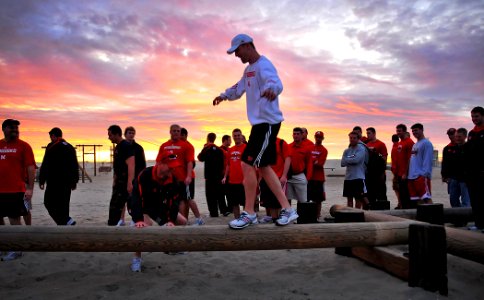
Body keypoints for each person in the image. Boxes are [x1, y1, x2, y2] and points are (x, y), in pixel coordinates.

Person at [213, 33, 298, 228]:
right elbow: (239, 87)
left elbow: (276, 82)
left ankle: (250, 212)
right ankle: (288, 209)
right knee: (263, 167)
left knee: (246, 164)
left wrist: (271, 89)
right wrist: (224, 95)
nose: (236, 55)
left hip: (267, 123)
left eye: (238, 51)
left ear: (248, 45)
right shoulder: (248, 70)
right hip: (259, 124)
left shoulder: (264, 64)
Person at [129, 158, 188, 272]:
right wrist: (138, 219)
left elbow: (173, 203)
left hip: (157, 207)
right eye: (170, 167)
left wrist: (170, 220)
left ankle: (172, 248)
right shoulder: (145, 174)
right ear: (160, 163)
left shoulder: (172, 179)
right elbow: (136, 198)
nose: (172, 170)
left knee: (182, 221)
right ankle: (137, 258)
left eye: (173, 168)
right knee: (143, 226)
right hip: (141, 206)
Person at [0, 119, 36, 261]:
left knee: (14, 219)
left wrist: (30, 189)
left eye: (16, 127)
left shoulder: (24, 146)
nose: (15, 129)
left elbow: (31, 168)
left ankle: (17, 248)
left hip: (15, 190)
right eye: (11, 127)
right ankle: (3, 246)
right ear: (4, 129)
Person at [156, 125, 203, 225]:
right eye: (174, 131)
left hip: (183, 178)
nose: (176, 132)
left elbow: (190, 162)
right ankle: (176, 219)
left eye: (178, 131)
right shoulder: (164, 145)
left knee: (185, 200)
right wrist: (158, 176)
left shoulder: (187, 145)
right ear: (170, 132)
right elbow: (158, 162)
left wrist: (189, 176)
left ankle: (192, 219)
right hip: (169, 179)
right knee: (172, 200)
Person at [39, 127, 79, 225]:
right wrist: (74, 181)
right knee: (64, 205)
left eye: (50, 137)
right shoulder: (69, 147)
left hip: (54, 181)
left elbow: (45, 164)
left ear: (53, 136)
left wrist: (41, 180)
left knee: (48, 202)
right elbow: (74, 165)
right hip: (67, 182)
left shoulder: (51, 146)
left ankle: (65, 221)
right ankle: (65, 223)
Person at [117, 126, 147, 226]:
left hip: (135, 177)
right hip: (122, 177)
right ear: (125, 134)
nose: (131, 135)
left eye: (133, 133)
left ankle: (135, 219)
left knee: (133, 199)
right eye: (129, 133)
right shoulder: (120, 147)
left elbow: (143, 164)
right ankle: (121, 220)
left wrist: (141, 177)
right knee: (121, 199)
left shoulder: (138, 148)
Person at [107, 125, 134, 226]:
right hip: (119, 182)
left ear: (116, 134)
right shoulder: (118, 147)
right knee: (114, 206)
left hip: (125, 183)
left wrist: (130, 183)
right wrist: (114, 179)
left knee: (126, 206)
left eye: (110, 135)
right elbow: (117, 166)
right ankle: (113, 225)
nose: (108, 137)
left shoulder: (126, 146)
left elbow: (131, 164)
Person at [259, 137, 291, 223]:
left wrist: (284, 175)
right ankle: (274, 219)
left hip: (279, 176)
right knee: (270, 202)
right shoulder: (263, 143)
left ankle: (281, 218)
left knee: (279, 200)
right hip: (265, 177)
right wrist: (260, 176)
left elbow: (287, 159)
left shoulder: (281, 142)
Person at [198, 133, 229, 217]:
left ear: (208, 138)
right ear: (215, 138)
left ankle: (214, 212)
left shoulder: (206, 148)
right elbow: (224, 161)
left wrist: (205, 147)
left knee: (210, 195)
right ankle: (223, 210)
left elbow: (200, 158)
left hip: (209, 176)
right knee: (220, 194)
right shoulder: (219, 150)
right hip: (219, 175)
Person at [179, 128, 204, 225]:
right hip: (180, 178)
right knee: (182, 200)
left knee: (188, 199)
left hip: (187, 178)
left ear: (184, 135)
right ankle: (184, 219)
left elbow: (192, 163)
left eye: (180, 135)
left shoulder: (188, 146)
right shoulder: (179, 146)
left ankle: (199, 218)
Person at [465, 106, 484, 231]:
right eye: (472, 116)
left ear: (482, 116)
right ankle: (478, 224)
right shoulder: (471, 133)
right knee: (475, 199)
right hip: (472, 173)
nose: (474, 119)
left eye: (476, 116)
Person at [441, 128, 470, 208]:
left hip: (465, 179)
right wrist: (444, 175)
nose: (456, 138)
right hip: (453, 178)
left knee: (466, 201)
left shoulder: (470, 147)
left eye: (459, 136)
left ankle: (465, 218)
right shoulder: (449, 148)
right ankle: (459, 216)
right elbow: (445, 163)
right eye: (456, 136)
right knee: (453, 199)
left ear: (465, 136)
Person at [341, 131, 369, 209]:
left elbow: (356, 160)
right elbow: (342, 163)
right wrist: (351, 159)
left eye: (354, 138)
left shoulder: (361, 149)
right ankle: (350, 216)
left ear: (358, 139)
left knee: (358, 199)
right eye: (351, 138)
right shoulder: (347, 151)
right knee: (349, 199)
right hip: (348, 178)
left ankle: (357, 215)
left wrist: (348, 159)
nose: (352, 139)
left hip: (358, 178)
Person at [223, 129, 247, 219]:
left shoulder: (246, 148)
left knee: (245, 202)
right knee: (234, 203)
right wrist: (225, 176)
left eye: (238, 135)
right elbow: (228, 165)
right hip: (232, 181)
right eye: (235, 136)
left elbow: (249, 164)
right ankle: (237, 219)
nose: (237, 137)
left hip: (243, 181)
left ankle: (245, 219)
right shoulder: (230, 150)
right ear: (233, 137)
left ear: (241, 136)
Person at [407, 123, 434, 205]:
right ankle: (423, 217)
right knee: (418, 200)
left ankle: (434, 216)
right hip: (412, 176)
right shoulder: (415, 145)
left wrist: (424, 174)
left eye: (416, 130)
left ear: (422, 130)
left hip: (421, 176)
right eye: (413, 131)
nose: (414, 132)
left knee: (426, 198)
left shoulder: (426, 143)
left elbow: (428, 160)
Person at [287, 127, 313, 203]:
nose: (296, 136)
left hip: (300, 175)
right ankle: (288, 213)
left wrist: (307, 178)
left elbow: (309, 164)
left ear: (302, 135)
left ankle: (302, 214)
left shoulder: (306, 148)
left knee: (303, 199)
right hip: (289, 176)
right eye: (294, 134)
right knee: (287, 198)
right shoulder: (288, 147)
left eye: (298, 134)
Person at [364, 127, 388, 205]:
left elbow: (384, 158)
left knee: (381, 193)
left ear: (374, 133)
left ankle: (384, 211)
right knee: (370, 193)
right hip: (369, 173)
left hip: (379, 173)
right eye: (367, 133)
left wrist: (376, 154)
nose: (367, 135)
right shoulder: (366, 144)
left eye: (369, 133)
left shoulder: (381, 144)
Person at [307, 131, 328, 220]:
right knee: (308, 198)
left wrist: (313, 161)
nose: (318, 139)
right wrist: (314, 160)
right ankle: (309, 215)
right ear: (314, 137)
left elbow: (320, 163)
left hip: (319, 178)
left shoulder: (324, 150)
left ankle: (318, 215)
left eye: (320, 137)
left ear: (322, 138)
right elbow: (308, 160)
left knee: (318, 199)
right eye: (317, 137)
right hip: (309, 177)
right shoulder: (310, 148)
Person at [394, 124, 414, 209]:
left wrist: (405, 173)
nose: (398, 133)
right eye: (397, 131)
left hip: (406, 175)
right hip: (399, 174)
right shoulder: (400, 143)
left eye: (400, 131)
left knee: (407, 196)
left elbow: (411, 159)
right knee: (401, 196)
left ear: (405, 131)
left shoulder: (410, 142)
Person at [220, 134, 232, 214]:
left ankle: (230, 209)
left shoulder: (230, 149)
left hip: (230, 174)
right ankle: (224, 210)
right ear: (225, 140)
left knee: (230, 193)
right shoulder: (220, 150)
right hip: (222, 174)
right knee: (222, 193)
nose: (231, 141)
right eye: (229, 140)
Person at [390, 134, 401, 209]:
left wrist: (394, 170)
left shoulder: (395, 147)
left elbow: (396, 160)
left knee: (396, 188)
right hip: (397, 170)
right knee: (397, 188)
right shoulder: (398, 146)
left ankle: (400, 203)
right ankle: (400, 203)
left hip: (397, 171)